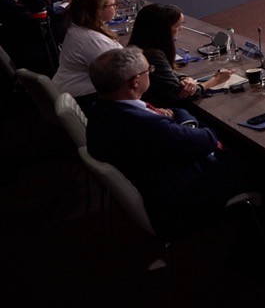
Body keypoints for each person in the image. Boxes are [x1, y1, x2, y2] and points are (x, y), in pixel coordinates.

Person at [85, 46, 248, 240]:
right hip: (182, 200)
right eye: (148, 71)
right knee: (264, 165)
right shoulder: (147, 125)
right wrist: (180, 119)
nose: (151, 74)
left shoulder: (99, 111)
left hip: (158, 183)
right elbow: (208, 139)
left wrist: (173, 119)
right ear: (135, 81)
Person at [128, 3, 231, 107]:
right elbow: (181, 95)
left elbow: (163, 72)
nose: (180, 29)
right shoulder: (152, 55)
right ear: (163, 29)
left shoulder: (137, 46)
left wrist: (183, 78)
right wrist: (216, 80)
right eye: (177, 25)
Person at [51, 0, 122, 104]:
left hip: (76, 94)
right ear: (98, 10)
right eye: (113, 5)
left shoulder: (80, 29)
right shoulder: (93, 40)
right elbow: (119, 73)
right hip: (84, 99)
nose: (115, 8)